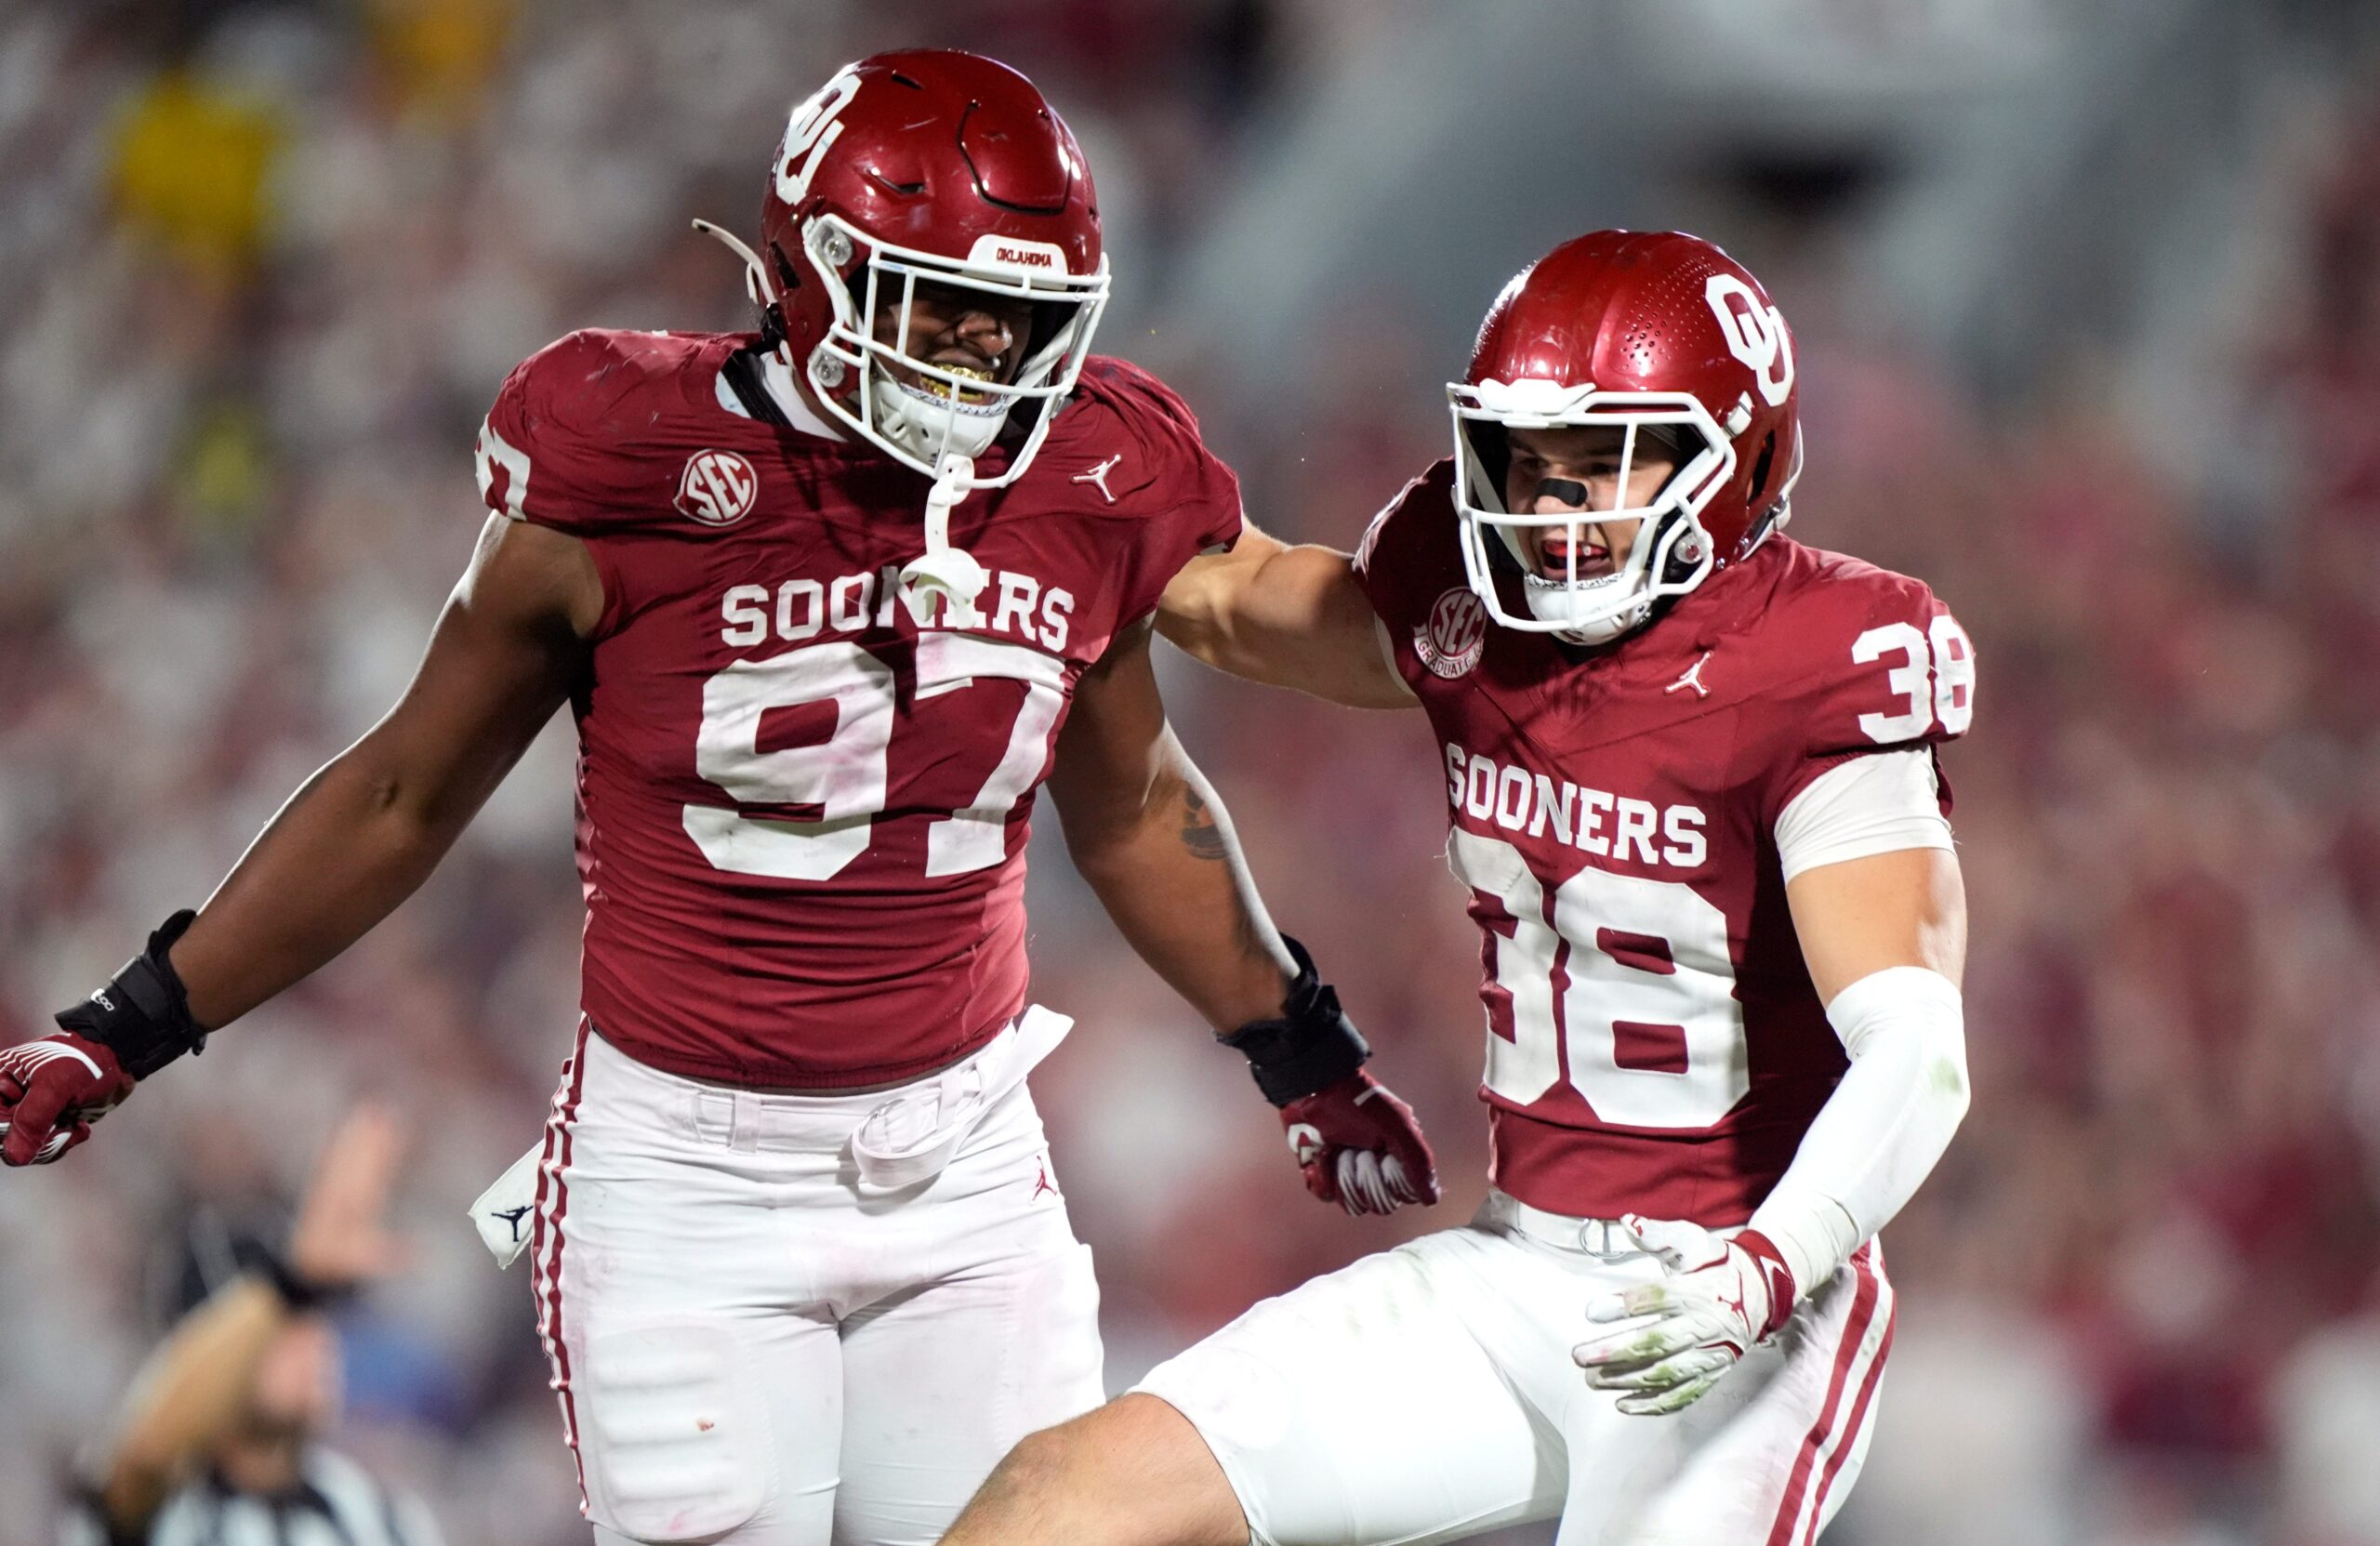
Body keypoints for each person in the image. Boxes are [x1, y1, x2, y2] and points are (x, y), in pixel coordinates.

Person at [0, 48, 1439, 1546]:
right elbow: (403, 792)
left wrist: (1303, 1043)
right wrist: (132, 1018)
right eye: (941, 307)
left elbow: (1146, 790)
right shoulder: (632, 453)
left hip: (963, 1159)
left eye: (1018, 321)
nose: (981, 358)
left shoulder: (1084, 471)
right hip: (690, 1177)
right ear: (816, 267)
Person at [937, 230, 1977, 1545]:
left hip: (1743, 1304)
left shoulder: (1826, 658)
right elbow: (1238, 602)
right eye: (1528, 466)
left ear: (1737, 456)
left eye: (1603, 464)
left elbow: (1919, 1049)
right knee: (1056, 1500)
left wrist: (1770, 1266)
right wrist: (1051, 482)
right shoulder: (1475, 598)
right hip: (1515, 1262)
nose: (1552, 513)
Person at [62, 1104, 440, 1546]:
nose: (314, 1338)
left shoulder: (384, 1519)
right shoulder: (155, 1497)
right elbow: (145, 1457)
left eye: (317, 1312)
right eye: (286, 1322)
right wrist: (289, 1285)